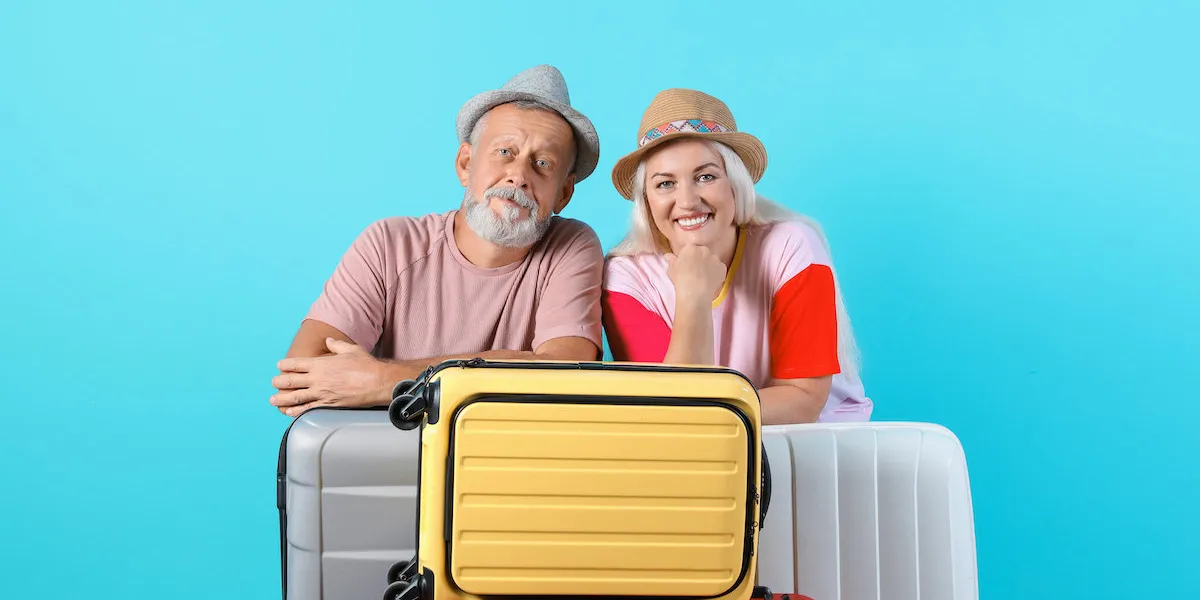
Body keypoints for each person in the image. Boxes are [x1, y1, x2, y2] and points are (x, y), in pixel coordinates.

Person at [270, 65, 605, 417]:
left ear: (564, 194)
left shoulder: (571, 245)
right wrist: (513, 369)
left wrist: (387, 380)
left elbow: (565, 374)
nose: (519, 176)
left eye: (543, 164)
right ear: (465, 163)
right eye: (505, 152)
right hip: (383, 463)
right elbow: (301, 377)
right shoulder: (388, 245)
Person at [600, 88, 872, 425]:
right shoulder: (625, 277)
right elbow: (675, 412)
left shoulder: (792, 247)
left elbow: (802, 401)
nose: (686, 201)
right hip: (706, 452)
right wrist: (693, 295)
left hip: (812, 444)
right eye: (665, 184)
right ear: (646, 201)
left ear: (735, 184)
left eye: (706, 177)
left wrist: (709, 409)